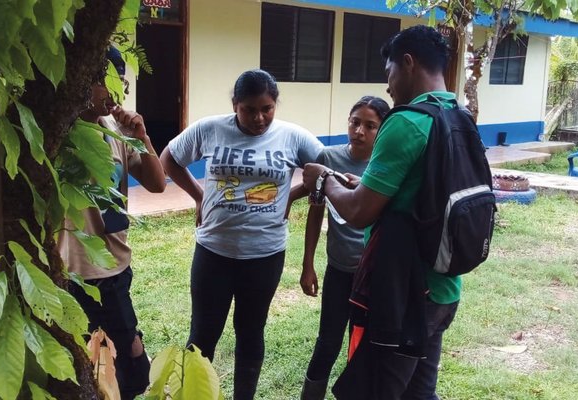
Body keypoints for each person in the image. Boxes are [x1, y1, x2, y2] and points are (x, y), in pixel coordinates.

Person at [301, 25, 462, 399]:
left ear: (407, 63)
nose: (388, 85)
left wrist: (324, 180)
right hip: (445, 287)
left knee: (374, 391)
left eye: (389, 71)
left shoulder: (405, 122)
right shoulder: (456, 116)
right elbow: (423, 192)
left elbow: (358, 214)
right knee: (420, 392)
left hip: (404, 292)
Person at [160, 69, 324, 400]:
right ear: (235, 104)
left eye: (267, 108)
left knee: (250, 333)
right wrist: (199, 196)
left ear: (276, 104)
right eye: (249, 109)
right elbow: (169, 160)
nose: (259, 117)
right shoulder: (210, 129)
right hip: (213, 253)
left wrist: (290, 195)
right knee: (203, 334)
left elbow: (321, 175)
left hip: (264, 256)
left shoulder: (293, 137)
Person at [58, 47, 166, 400]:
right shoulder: (60, 136)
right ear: (82, 83)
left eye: (119, 84)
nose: (113, 94)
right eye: (106, 84)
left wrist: (142, 137)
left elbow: (157, 183)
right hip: (75, 269)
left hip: (116, 264)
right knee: (92, 357)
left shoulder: (115, 131)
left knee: (126, 351)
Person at [298, 96, 390, 400]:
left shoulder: (385, 166)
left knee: (361, 346)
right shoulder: (329, 158)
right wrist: (308, 264)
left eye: (370, 126)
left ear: (382, 130)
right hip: (338, 271)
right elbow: (316, 211)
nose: (360, 131)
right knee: (327, 342)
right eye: (355, 122)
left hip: (374, 277)